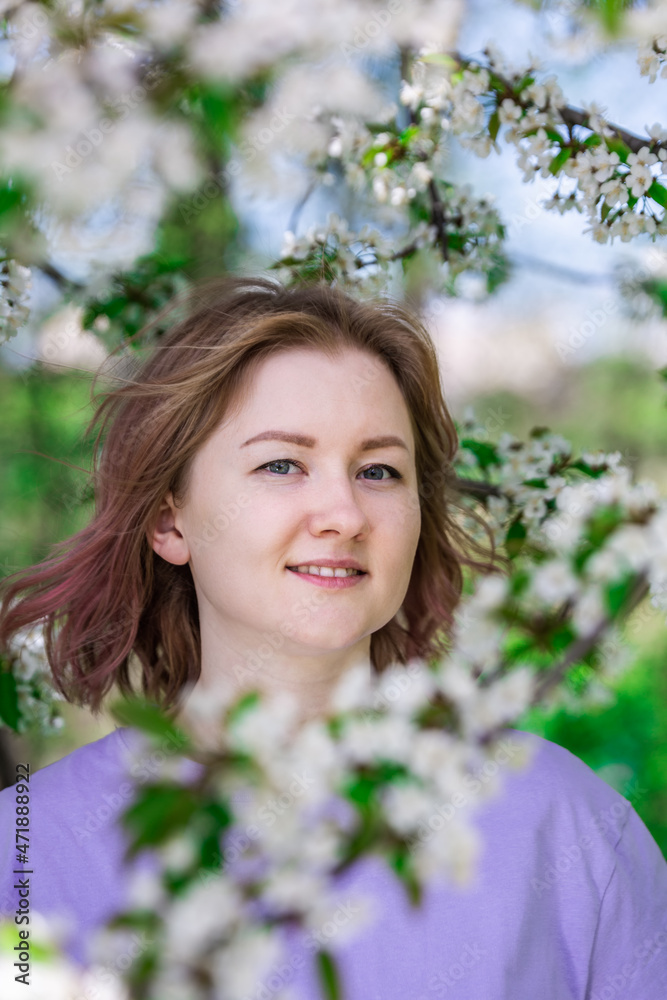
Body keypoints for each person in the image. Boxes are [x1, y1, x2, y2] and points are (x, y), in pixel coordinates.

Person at [1, 275, 666, 999]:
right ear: (169, 522)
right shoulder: (29, 851)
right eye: (281, 463)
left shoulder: (567, 828)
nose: (343, 513)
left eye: (378, 470)